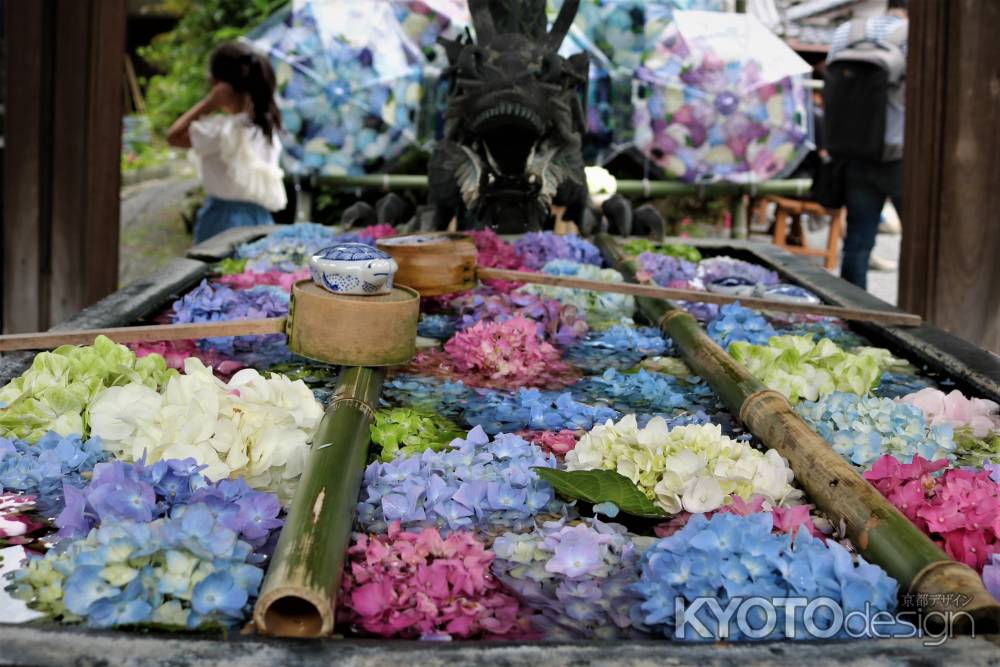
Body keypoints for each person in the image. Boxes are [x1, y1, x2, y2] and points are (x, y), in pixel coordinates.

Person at [167, 43, 287, 243]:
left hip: (221, 222)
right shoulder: (266, 128)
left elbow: (173, 136)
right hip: (262, 220)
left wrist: (209, 103)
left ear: (216, 84)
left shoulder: (221, 132)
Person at [826, 0, 908, 289]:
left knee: (858, 244)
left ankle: (854, 322)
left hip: (853, 152)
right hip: (898, 155)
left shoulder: (846, 32)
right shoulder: (912, 35)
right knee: (918, 242)